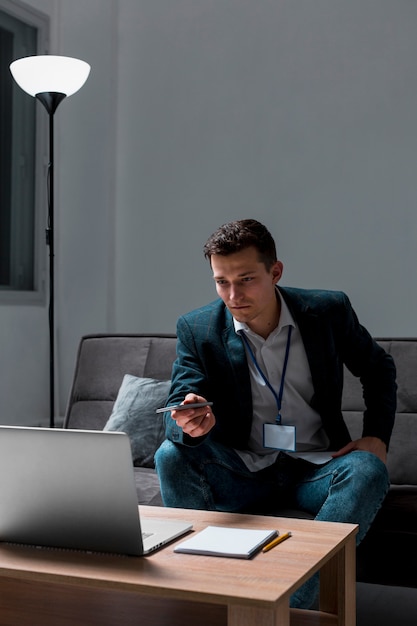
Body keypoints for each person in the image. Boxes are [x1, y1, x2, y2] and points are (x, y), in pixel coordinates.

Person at [155, 218, 396, 608]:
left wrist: (377, 435)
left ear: (275, 271)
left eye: (246, 279)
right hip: (243, 469)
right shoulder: (198, 328)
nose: (232, 295)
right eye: (221, 281)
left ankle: (289, 610)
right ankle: (201, 600)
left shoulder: (327, 311)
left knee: (369, 468)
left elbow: (378, 368)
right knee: (170, 454)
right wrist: (190, 423)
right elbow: (180, 401)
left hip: (316, 469)